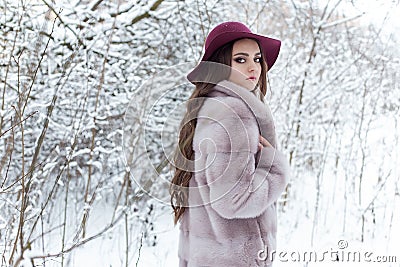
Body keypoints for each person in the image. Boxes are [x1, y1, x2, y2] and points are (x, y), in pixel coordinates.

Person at [170, 21, 290, 267]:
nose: (253, 67)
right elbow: (234, 201)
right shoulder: (235, 115)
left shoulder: (211, 108)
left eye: (257, 59)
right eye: (241, 59)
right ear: (221, 65)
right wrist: (273, 166)